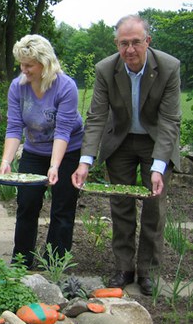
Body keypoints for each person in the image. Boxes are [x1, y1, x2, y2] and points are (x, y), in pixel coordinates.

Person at [72, 15, 181, 295]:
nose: (130, 49)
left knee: (154, 208)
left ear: (148, 41)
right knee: (121, 205)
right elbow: (96, 117)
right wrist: (86, 161)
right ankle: (123, 267)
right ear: (116, 44)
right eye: (124, 43)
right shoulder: (106, 69)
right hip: (119, 141)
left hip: (155, 141)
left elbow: (170, 120)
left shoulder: (168, 67)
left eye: (135, 42)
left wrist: (159, 166)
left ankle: (148, 272)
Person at [0, 34, 84, 268]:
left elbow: (63, 131)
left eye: (29, 65)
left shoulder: (65, 87)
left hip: (68, 150)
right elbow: (15, 127)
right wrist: (6, 160)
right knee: (27, 203)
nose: (23, 70)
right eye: (21, 64)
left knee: (62, 207)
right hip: (34, 149)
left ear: (45, 64)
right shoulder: (18, 87)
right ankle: (21, 260)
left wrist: (54, 166)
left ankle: (54, 263)